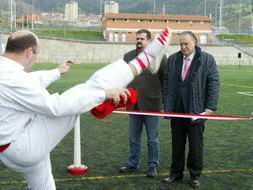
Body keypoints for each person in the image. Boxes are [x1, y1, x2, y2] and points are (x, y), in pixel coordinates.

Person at [0, 28, 170, 190]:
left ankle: (144, 61)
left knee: (44, 186)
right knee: (82, 92)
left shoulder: (6, 70)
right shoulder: (13, 77)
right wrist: (102, 95)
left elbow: (30, 81)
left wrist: (57, 71)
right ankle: (144, 60)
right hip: (21, 146)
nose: (35, 58)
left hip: (14, 144)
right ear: (29, 52)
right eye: (37, 54)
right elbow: (55, 107)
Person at [162, 31, 219, 188]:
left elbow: (213, 83)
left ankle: (194, 175)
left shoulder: (207, 60)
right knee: (177, 144)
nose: (183, 47)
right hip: (177, 110)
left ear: (195, 42)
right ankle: (176, 173)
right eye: (180, 44)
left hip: (197, 109)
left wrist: (210, 107)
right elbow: (166, 85)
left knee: (196, 146)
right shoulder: (173, 59)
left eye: (186, 43)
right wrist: (167, 107)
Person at [119, 29, 167, 178]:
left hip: (152, 105)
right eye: (137, 38)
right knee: (133, 138)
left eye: (142, 39)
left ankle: (153, 166)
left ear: (149, 41)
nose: (139, 41)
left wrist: (165, 102)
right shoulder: (128, 57)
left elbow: (165, 80)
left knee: (152, 139)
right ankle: (133, 164)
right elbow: (122, 78)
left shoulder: (159, 57)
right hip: (133, 105)